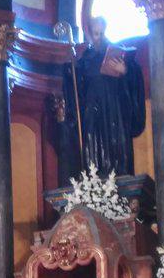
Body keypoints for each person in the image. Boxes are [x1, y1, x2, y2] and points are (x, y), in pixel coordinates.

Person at [63, 15, 147, 177]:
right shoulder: (85, 59)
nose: (100, 37)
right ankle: (94, 174)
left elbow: (134, 79)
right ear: (90, 34)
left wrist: (125, 72)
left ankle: (119, 171)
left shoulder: (118, 53)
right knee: (92, 141)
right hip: (92, 109)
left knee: (116, 140)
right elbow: (75, 86)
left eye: (102, 33)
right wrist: (70, 68)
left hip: (115, 109)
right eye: (96, 33)